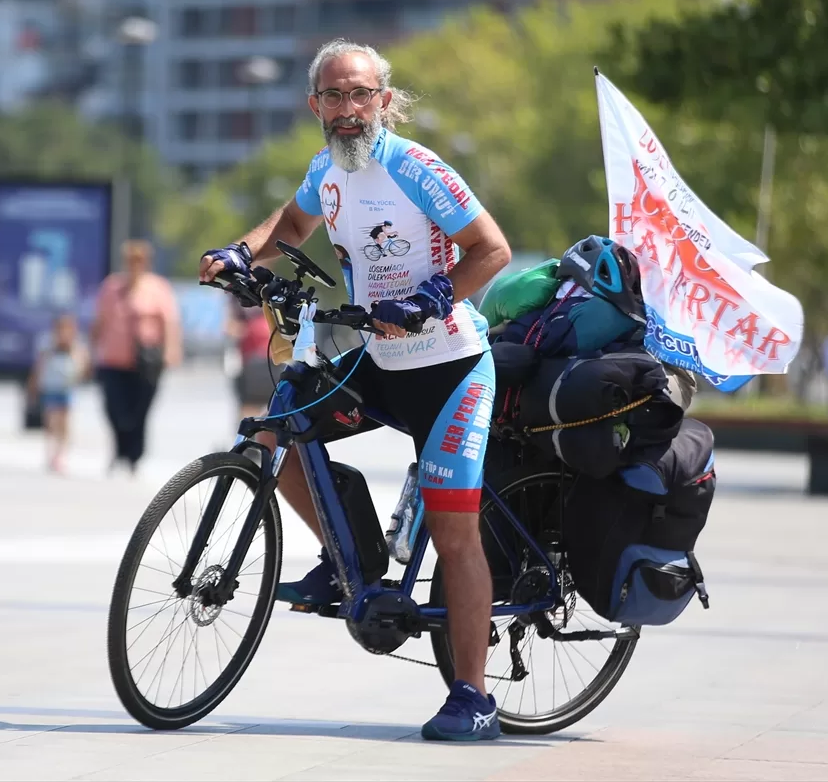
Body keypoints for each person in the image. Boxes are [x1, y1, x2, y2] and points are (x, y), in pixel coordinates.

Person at [199, 38, 512, 741]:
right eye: (335, 97)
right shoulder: (326, 172)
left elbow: (491, 249)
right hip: (378, 360)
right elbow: (290, 226)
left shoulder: (418, 168)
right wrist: (239, 252)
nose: (349, 110)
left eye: (361, 94)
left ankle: (474, 693)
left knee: (453, 524)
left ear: (386, 101)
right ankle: (353, 563)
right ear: (316, 106)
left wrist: (432, 298)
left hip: (452, 367)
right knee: (280, 429)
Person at [91, 240, 183, 475]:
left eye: (139, 260)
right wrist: (90, 350)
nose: (135, 265)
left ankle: (134, 456)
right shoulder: (112, 287)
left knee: (140, 411)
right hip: (113, 360)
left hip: (147, 362)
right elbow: (99, 321)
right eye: (131, 260)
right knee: (115, 409)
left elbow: (169, 323)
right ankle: (119, 449)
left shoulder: (158, 288)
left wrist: (171, 351)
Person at [26, 313, 89, 474]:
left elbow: (83, 367)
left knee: (65, 422)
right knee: (51, 421)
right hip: (51, 388)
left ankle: (61, 454)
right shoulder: (47, 346)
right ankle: (50, 452)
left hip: (66, 389)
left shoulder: (76, 346)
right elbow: (38, 368)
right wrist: (33, 386)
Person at [224, 297, 281, 423]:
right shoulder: (236, 298)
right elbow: (230, 327)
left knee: (275, 404)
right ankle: (246, 436)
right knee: (249, 405)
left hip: (272, 362)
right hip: (251, 362)